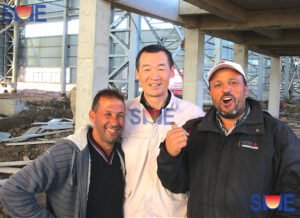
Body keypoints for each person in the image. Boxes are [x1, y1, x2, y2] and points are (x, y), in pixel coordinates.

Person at [157, 60, 300, 217]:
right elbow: (177, 184)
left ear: (246, 89)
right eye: (217, 85)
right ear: (211, 93)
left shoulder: (276, 133)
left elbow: (293, 191)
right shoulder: (195, 131)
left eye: (233, 82)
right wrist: (170, 155)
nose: (226, 89)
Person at [0, 88, 126, 218]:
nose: (115, 122)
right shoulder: (68, 153)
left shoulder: (122, 153)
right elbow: (12, 191)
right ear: (92, 116)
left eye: (120, 115)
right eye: (108, 114)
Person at [122, 44, 205, 217]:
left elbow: (202, 169)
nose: (154, 76)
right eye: (147, 69)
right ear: (137, 73)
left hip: (174, 212)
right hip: (131, 212)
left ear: (171, 71)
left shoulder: (192, 115)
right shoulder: (124, 113)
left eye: (161, 68)